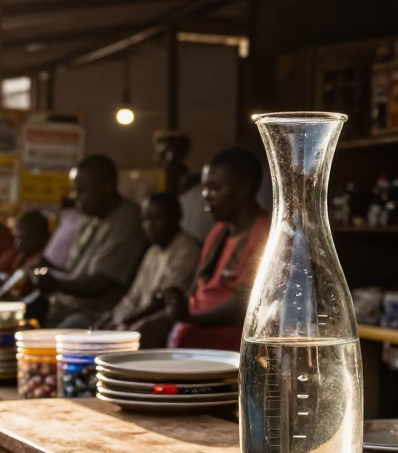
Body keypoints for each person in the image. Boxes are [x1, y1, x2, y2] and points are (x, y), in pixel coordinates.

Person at [163, 147, 270, 351]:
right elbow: (199, 287)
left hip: (229, 344)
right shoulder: (219, 232)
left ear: (244, 188)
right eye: (204, 188)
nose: (205, 196)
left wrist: (192, 319)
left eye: (215, 188)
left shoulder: (265, 233)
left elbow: (251, 304)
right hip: (195, 334)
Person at [36, 155, 145, 328]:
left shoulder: (127, 220)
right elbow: (73, 270)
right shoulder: (91, 218)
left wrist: (56, 283)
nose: (76, 197)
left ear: (107, 187)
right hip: (67, 306)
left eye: (82, 191)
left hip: (96, 314)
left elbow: (101, 283)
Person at [99, 192, 201, 346]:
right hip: (134, 321)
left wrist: (125, 323)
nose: (149, 225)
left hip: (160, 327)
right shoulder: (153, 251)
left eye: (157, 218)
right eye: (145, 219)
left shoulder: (187, 250)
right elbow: (133, 297)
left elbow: (162, 301)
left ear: (175, 219)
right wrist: (111, 317)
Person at [154, 129, 213, 242]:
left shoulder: (198, 187)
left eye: (175, 152)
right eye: (163, 154)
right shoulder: (156, 186)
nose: (169, 158)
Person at [0, 210, 51, 276]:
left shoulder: (47, 262)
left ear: (44, 238)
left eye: (26, 237)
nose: (19, 242)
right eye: (17, 237)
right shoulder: (16, 254)